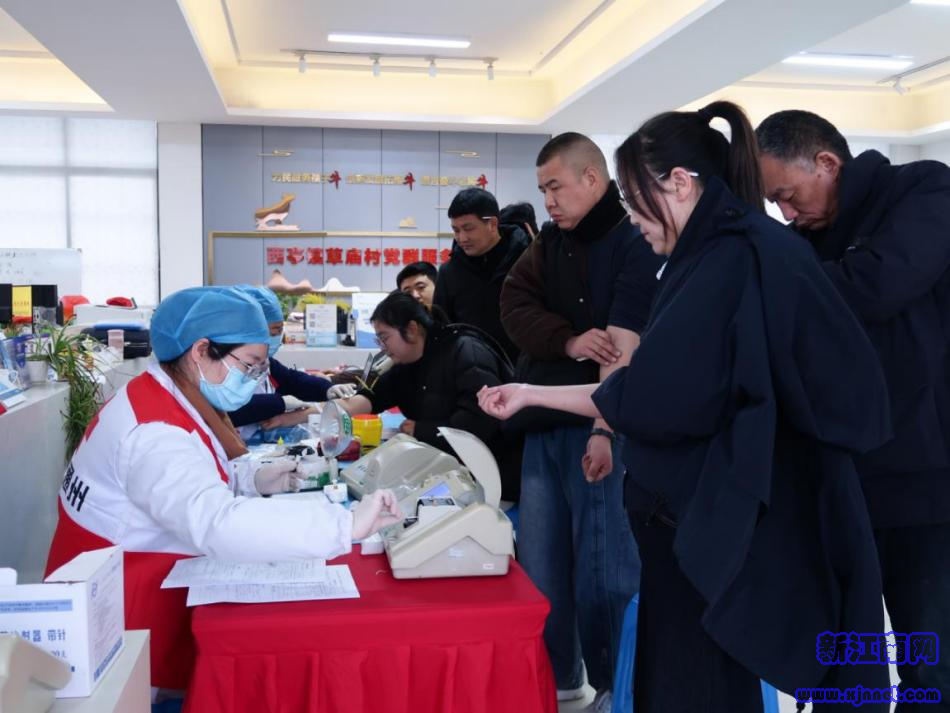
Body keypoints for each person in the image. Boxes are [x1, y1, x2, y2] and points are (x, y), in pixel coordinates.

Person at [481, 102, 892, 712]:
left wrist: (536, 396)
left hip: (704, 529)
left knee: (698, 688)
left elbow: (651, 394)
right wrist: (533, 394)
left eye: (633, 198)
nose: (631, 217)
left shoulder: (728, 259)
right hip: (700, 527)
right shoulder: (723, 251)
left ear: (679, 182)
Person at [45, 286, 401, 691]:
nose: (254, 379)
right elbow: (214, 522)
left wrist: (251, 478)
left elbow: (185, 480)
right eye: (249, 366)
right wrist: (343, 525)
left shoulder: (164, 394)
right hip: (123, 606)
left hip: (125, 577)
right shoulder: (154, 432)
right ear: (201, 351)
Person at [756, 109, 950, 708]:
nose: (785, 213)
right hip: (842, 477)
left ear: (826, 162)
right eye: (774, 203)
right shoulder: (802, 242)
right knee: (845, 663)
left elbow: (876, 284)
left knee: (929, 657)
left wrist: (790, 287)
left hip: (927, 480)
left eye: (788, 195)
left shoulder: (923, 189)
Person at [499, 132, 662, 708]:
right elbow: (514, 306)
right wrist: (566, 340)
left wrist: (603, 430)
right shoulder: (549, 243)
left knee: (605, 570)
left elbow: (622, 348)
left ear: (592, 178)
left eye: (555, 187)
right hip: (543, 420)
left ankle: (616, 687)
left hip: (602, 429)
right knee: (542, 567)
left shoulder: (633, 240)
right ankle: (559, 682)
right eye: (542, 189)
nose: (547, 201)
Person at [336, 291, 519, 498]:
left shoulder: (466, 350)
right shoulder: (403, 363)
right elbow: (373, 396)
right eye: (379, 340)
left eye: (385, 338)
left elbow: (480, 419)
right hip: (442, 469)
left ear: (412, 329)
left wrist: (421, 430)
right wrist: (330, 407)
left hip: (490, 476)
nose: (383, 348)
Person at [228, 285, 354, 438]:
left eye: (281, 330)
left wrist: (326, 389)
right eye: (275, 330)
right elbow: (230, 407)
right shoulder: (226, 365)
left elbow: (291, 380)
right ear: (253, 328)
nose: (279, 336)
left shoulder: (265, 363)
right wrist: (280, 402)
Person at [435, 188, 531, 363]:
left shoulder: (527, 261)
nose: (462, 238)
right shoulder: (449, 273)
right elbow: (442, 330)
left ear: (492, 224)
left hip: (526, 367)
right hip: (473, 370)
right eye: (456, 230)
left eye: (468, 228)